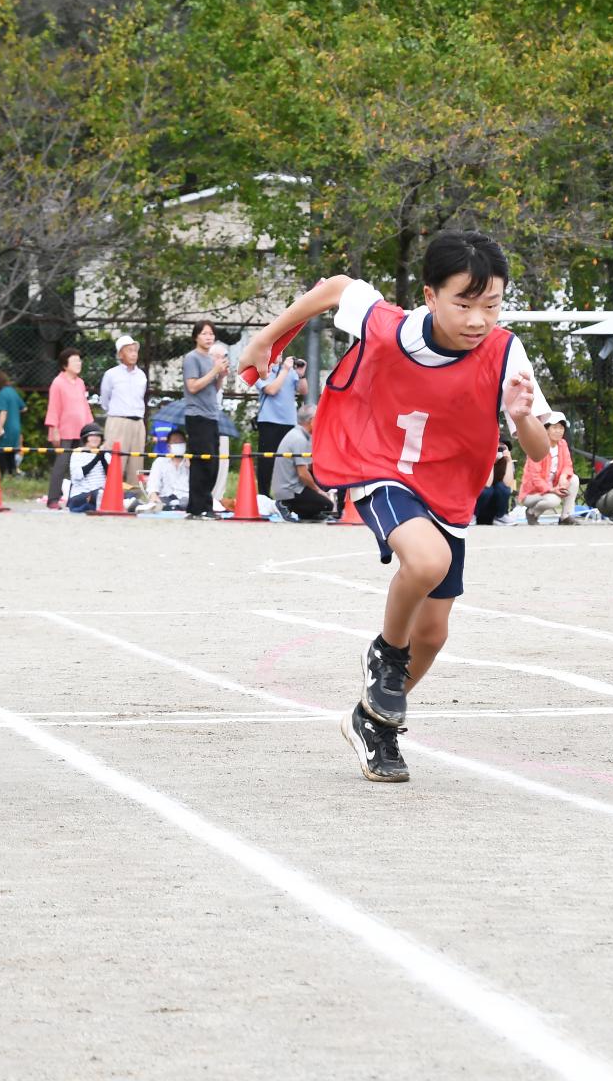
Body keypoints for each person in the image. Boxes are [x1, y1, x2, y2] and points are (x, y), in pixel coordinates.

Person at [239, 231, 551, 784]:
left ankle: (371, 722)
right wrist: (269, 337)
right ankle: (384, 653)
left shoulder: (507, 352)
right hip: (378, 463)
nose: (479, 318)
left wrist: (521, 415)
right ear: (430, 296)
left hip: (449, 488)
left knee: (432, 636)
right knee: (425, 563)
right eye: (464, 303)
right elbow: (336, 287)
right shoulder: (387, 323)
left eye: (492, 305)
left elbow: (538, 451)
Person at [181, 321, 230, 521]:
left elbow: (213, 389)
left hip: (211, 414)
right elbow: (192, 387)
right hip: (197, 415)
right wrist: (213, 371)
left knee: (212, 464)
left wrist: (220, 375)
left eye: (211, 334)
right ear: (196, 337)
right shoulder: (192, 358)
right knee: (201, 463)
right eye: (204, 333)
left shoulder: (211, 360)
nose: (209, 337)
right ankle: (197, 508)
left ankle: (205, 506)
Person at [44, 348, 92, 509]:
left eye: (80, 360)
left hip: (80, 431)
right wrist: (54, 429)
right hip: (64, 431)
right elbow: (54, 407)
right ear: (65, 365)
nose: (79, 364)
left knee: (79, 467)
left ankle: (77, 498)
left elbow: (85, 407)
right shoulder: (58, 382)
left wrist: (90, 428)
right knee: (61, 465)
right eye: (75, 361)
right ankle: (53, 499)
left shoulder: (80, 383)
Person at [254, 354, 306, 499]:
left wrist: (301, 375)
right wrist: (284, 370)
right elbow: (271, 390)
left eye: (282, 350)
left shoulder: (290, 371)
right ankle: (264, 496)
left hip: (289, 422)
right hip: (269, 421)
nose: (280, 354)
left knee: (289, 461)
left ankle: (288, 498)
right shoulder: (263, 370)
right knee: (267, 461)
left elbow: (303, 391)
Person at [99, 334, 148, 485]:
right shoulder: (111, 374)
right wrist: (116, 414)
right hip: (118, 421)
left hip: (138, 422)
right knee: (116, 462)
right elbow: (104, 400)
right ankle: (111, 498)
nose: (134, 354)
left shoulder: (141, 375)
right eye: (129, 350)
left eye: (135, 350)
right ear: (120, 354)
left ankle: (134, 500)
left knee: (137, 463)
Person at [272, 404, 334, 521]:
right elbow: (302, 473)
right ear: (312, 421)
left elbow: (311, 468)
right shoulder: (299, 439)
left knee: (322, 483)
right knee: (327, 505)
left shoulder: (299, 434)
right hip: (290, 490)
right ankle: (285, 504)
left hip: (291, 486)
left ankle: (309, 513)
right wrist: (318, 491)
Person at [519, 411, 578, 525]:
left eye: (561, 428)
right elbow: (535, 479)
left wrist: (563, 476)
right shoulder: (537, 446)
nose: (559, 431)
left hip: (553, 487)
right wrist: (552, 490)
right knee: (554, 500)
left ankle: (566, 516)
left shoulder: (563, 444)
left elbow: (568, 465)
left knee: (574, 479)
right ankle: (532, 513)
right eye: (554, 427)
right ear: (545, 429)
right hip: (532, 493)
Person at [64, 423, 112, 514]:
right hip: (82, 494)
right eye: (92, 436)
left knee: (127, 494)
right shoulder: (78, 452)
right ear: (86, 438)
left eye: (98, 436)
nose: (95, 438)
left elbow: (111, 477)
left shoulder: (105, 454)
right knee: (97, 494)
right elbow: (77, 476)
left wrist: (102, 459)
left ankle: (129, 504)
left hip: (102, 491)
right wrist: (97, 458)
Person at [144, 426, 192, 512]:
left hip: (186, 499)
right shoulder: (160, 461)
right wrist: (153, 495)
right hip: (165, 499)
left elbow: (201, 487)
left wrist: (193, 468)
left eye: (180, 442)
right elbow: (153, 483)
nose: (178, 444)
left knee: (186, 503)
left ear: (185, 445)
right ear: (169, 446)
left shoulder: (192, 461)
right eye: (175, 442)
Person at [0, 368, 24, 477]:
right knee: (11, 452)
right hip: (16, 427)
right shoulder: (12, 391)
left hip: (6, 428)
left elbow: (3, 411)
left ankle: (4, 474)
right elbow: (24, 408)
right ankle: (12, 473)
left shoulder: (2, 394)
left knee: (1, 451)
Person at [474, 448, 516, 525]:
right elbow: (487, 484)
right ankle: (472, 516)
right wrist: (491, 461)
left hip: (495, 510)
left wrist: (509, 461)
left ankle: (501, 516)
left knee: (502, 488)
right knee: (487, 490)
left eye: (502, 449)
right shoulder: (481, 459)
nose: (499, 451)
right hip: (480, 508)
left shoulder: (506, 462)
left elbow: (508, 485)